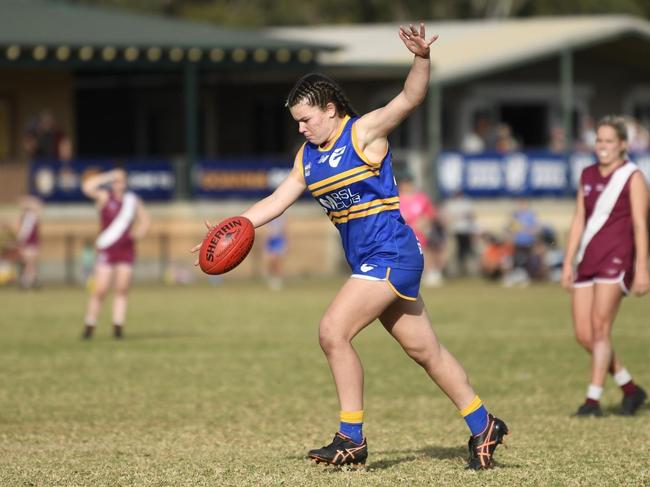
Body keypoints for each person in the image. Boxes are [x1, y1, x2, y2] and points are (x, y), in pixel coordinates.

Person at [193, 24, 507, 470]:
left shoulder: (363, 134)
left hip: (392, 255)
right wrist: (234, 225)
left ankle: (351, 438)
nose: (301, 128)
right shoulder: (309, 157)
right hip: (372, 262)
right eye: (296, 122)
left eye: (306, 119)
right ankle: (483, 423)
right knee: (425, 352)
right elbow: (278, 200)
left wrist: (421, 58)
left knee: (332, 331)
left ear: (330, 108)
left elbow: (409, 99)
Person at [561, 115, 649, 417]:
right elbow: (579, 220)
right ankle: (630, 388)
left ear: (623, 144)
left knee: (600, 328)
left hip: (618, 258)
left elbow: (641, 224)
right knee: (583, 334)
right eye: (599, 139)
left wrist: (643, 268)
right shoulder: (587, 175)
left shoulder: (633, 177)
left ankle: (592, 400)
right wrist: (568, 262)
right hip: (589, 258)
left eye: (609, 140)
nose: (603, 146)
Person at [81, 169, 151, 339]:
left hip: (126, 250)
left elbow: (145, 219)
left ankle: (118, 326)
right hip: (107, 249)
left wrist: (137, 235)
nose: (118, 184)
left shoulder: (132, 200)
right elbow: (87, 187)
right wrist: (110, 175)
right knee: (101, 289)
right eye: (115, 181)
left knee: (122, 289)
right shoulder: (105, 197)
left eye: (121, 181)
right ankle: (90, 325)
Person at [398, 174, 446, 286]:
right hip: (403, 232)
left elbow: (430, 213)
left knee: (426, 251)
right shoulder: (396, 198)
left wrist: (422, 222)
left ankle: (431, 273)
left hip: (421, 231)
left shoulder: (421, 198)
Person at [14, 195, 42, 289]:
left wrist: (28, 202)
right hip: (26, 244)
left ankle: (30, 281)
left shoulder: (33, 216)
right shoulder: (23, 217)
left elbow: (38, 206)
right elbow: (21, 233)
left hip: (32, 244)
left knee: (31, 264)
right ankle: (28, 281)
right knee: (28, 264)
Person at [263, 215, 288, 290]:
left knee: (278, 262)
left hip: (279, 241)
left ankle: (278, 281)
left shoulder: (282, 218)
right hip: (271, 241)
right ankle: (271, 279)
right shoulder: (269, 217)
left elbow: (285, 230)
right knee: (271, 261)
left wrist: (286, 243)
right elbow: (267, 231)